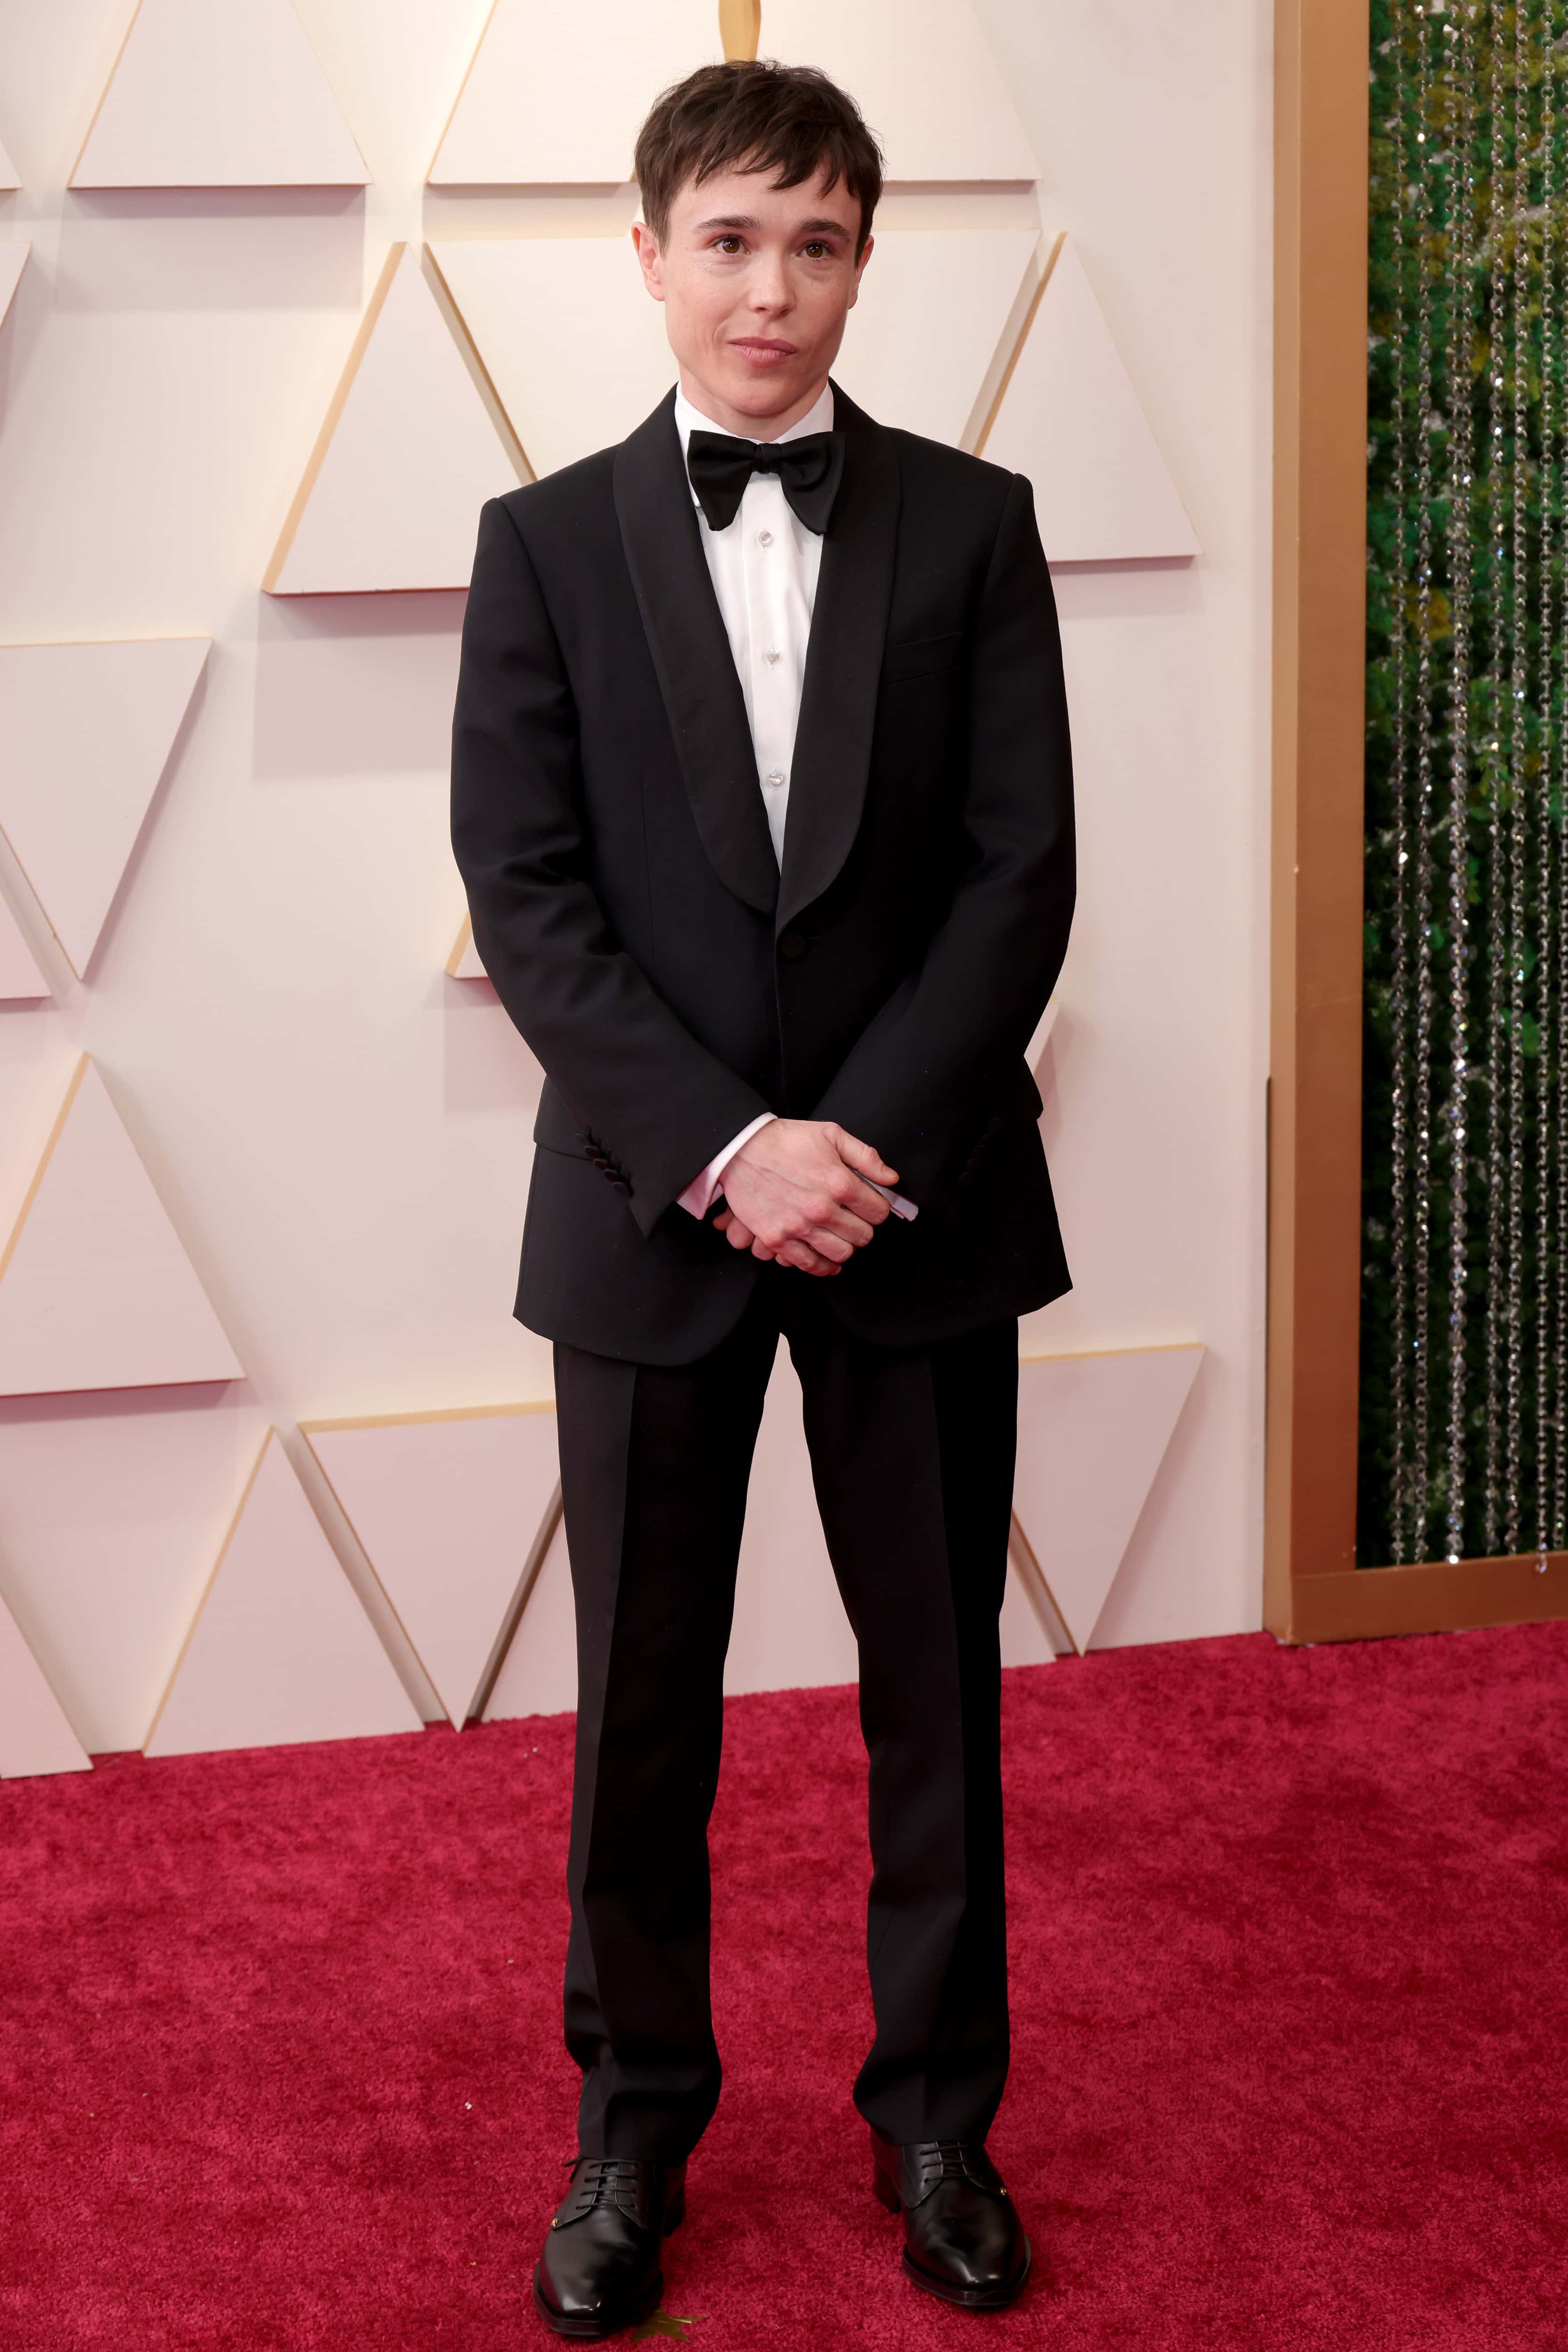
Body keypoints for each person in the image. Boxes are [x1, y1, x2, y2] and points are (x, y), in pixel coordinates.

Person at [451, 56, 1075, 2340]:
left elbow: (1022, 882)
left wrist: (853, 1152)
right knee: (647, 1706)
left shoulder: (980, 526)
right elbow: (528, 903)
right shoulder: (539, 549)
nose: (771, 287)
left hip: (919, 1202)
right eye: (729, 237)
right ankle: (631, 2131)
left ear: (863, 263)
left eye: (816, 240)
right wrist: (730, 1151)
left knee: (937, 1693)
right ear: (649, 256)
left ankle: (938, 2121)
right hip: (647, 1212)